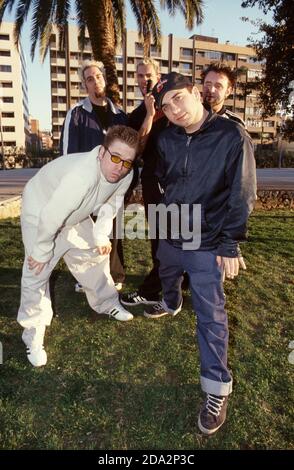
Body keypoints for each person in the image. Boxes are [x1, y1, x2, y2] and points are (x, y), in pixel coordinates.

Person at [145, 72, 256, 435]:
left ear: (195, 93)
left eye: (178, 98)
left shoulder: (230, 135)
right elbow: (163, 178)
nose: (173, 109)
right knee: (165, 273)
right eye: (165, 106)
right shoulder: (166, 138)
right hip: (172, 230)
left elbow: (242, 192)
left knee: (210, 316)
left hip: (207, 240)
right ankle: (171, 301)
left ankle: (216, 388)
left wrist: (229, 242)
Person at [18, 125, 139, 368]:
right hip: (41, 210)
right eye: (115, 158)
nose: (120, 167)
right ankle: (33, 333)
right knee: (36, 272)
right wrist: (41, 251)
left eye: (127, 161)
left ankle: (106, 303)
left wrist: (101, 235)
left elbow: (112, 204)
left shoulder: (126, 173)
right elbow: (52, 215)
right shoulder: (81, 175)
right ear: (102, 153)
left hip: (74, 213)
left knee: (92, 255)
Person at [60, 60, 128, 291]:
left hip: (113, 185)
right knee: (88, 232)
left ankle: (115, 276)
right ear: (85, 85)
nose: (95, 81)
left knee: (113, 231)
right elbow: (68, 155)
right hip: (88, 186)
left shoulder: (120, 116)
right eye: (90, 78)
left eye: (98, 76)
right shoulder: (76, 114)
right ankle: (87, 278)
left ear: (104, 80)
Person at [121, 59, 171, 306]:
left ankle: (161, 286)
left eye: (149, 75)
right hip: (153, 182)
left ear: (158, 76)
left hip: (178, 181)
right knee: (159, 239)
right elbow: (137, 150)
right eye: (140, 76)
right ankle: (160, 286)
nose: (145, 80)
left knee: (180, 234)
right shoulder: (136, 115)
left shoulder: (173, 104)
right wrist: (150, 116)